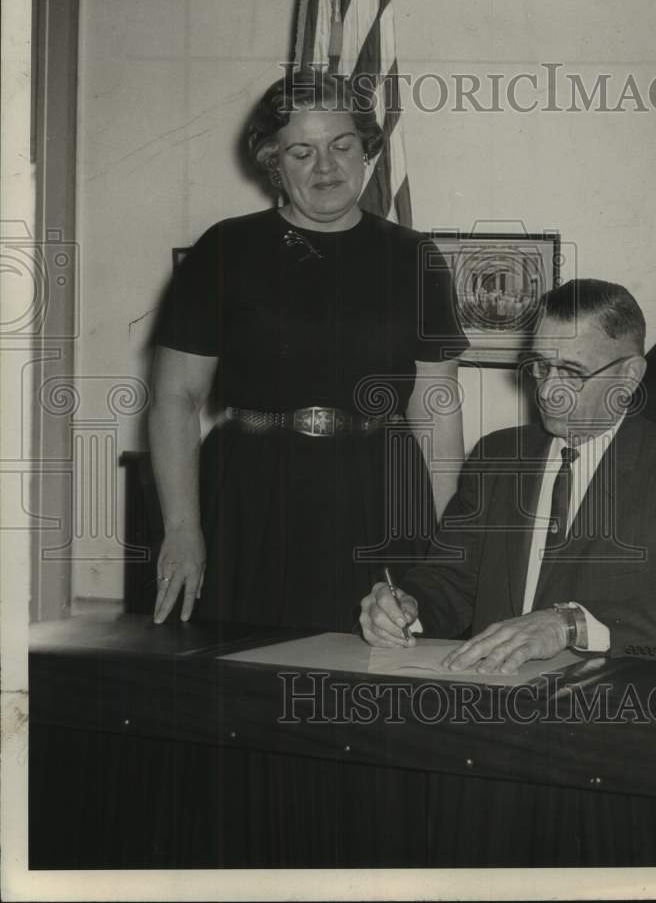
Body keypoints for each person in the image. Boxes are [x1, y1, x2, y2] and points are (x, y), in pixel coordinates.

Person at [148, 69, 468, 631]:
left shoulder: (415, 258)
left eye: (342, 145)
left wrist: (450, 544)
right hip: (252, 493)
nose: (327, 167)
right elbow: (176, 396)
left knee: (375, 669)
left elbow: (435, 404)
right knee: (243, 676)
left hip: (379, 494)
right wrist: (182, 527)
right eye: (302, 151)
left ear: (366, 150)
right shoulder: (226, 248)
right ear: (274, 162)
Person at [360, 279, 656, 667]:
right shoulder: (496, 457)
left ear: (629, 376)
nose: (547, 390)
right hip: (491, 702)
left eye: (571, 372)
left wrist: (570, 625)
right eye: (541, 367)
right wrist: (406, 608)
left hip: (607, 712)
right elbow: (449, 582)